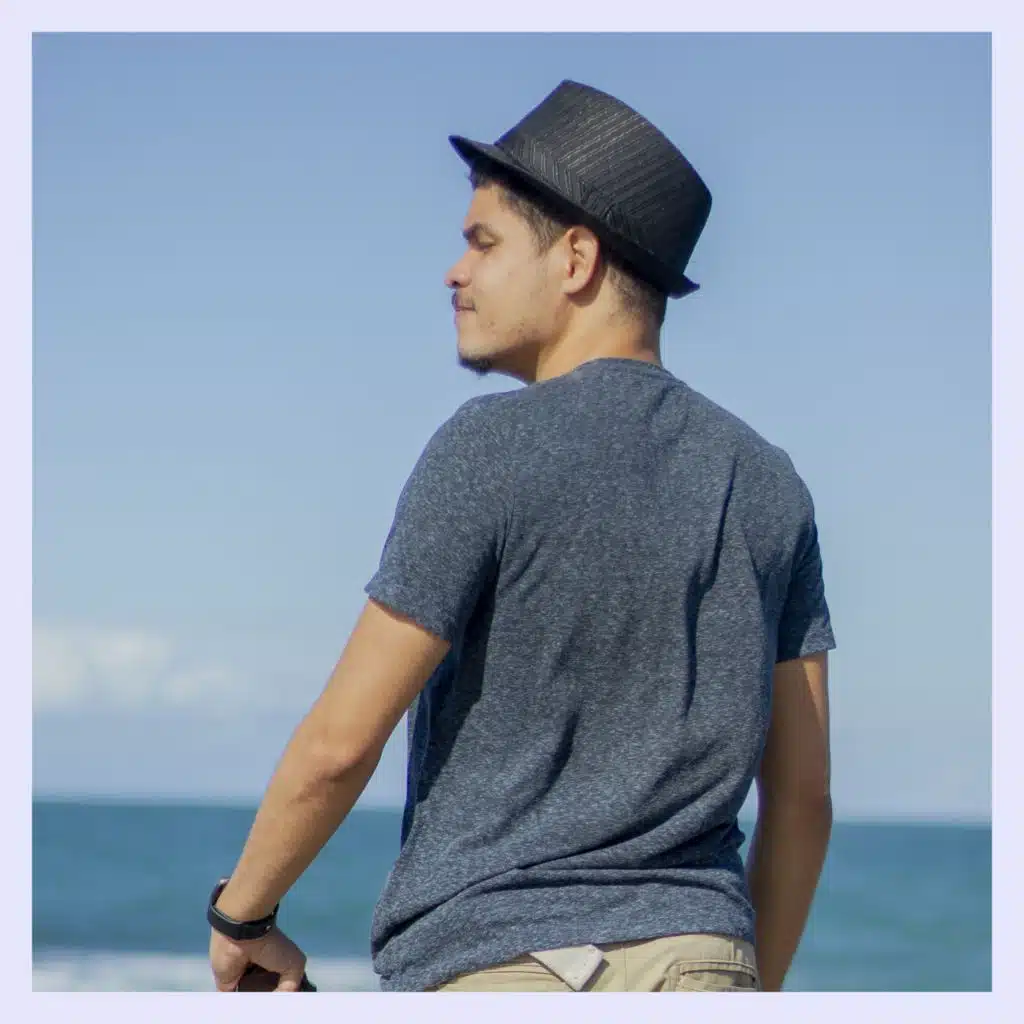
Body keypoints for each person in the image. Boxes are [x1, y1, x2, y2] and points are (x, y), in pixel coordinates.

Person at [207, 79, 835, 994]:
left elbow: (340, 745)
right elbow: (805, 799)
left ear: (576, 258)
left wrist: (243, 916)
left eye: (484, 242)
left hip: (514, 966)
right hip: (708, 959)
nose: (455, 272)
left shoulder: (490, 446)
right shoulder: (771, 484)